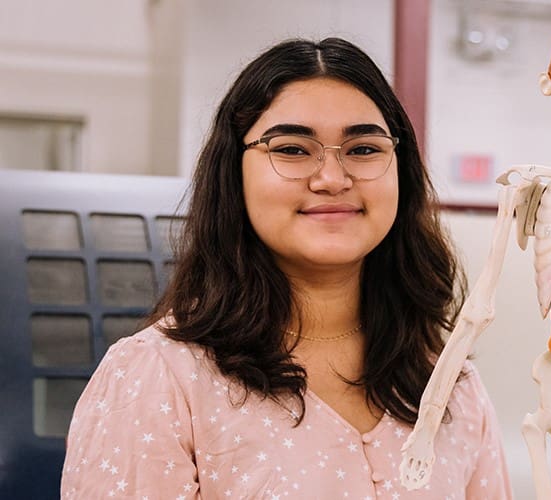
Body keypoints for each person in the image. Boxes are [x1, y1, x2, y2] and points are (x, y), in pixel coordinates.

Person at [60, 37, 512, 499]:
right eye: (293, 149)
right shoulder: (158, 377)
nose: (333, 179)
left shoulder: (449, 384)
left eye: (363, 149)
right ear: (234, 173)